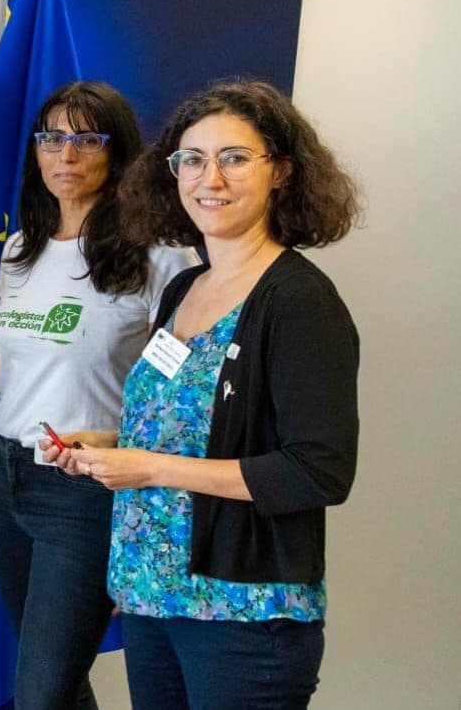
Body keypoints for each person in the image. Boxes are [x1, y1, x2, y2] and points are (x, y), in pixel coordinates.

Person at [0, 81, 195, 709]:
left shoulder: (160, 259)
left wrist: (128, 452)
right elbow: (9, 378)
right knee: (57, 681)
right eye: (52, 138)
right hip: (8, 478)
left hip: (85, 491)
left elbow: (189, 392)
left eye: (86, 139)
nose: (66, 154)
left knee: (39, 692)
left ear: (118, 153)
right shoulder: (24, 249)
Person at [56, 79, 360, 709]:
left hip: (243, 615)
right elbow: (200, 422)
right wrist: (112, 445)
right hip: (152, 597)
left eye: (234, 158)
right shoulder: (184, 288)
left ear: (281, 171)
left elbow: (318, 473)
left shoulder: (299, 301)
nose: (208, 178)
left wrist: (148, 468)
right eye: (191, 160)